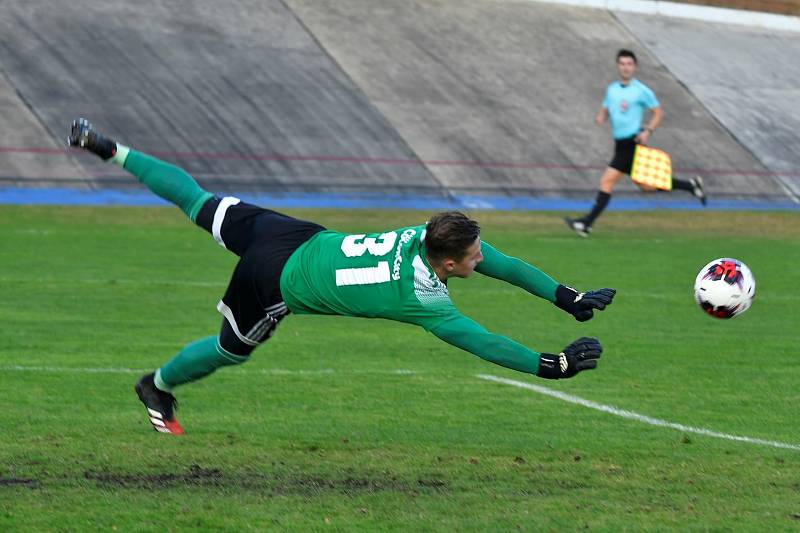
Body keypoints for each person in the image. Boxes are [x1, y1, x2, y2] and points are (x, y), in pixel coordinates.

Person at [68, 118, 616, 435]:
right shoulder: (422, 298)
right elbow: (484, 341)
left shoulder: (428, 235)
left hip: (289, 234)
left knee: (196, 199)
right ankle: (157, 386)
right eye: (474, 257)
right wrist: (554, 365)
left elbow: (509, 266)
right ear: (447, 263)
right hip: (273, 279)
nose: (483, 259)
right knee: (231, 350)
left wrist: (565, 297)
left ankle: (110, 148)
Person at [565, 49, 707, 238]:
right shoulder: (612, 89)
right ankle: (691, 186)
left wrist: (648, 131)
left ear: (635, 67)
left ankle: (586, 223)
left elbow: (658, 113)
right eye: (622, 64)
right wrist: (601, 116)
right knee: (646, 187)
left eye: (629, 64)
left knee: (606, 181)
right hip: (620, 144)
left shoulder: (641, 90)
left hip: (633, 143)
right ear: (618, 66)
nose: (626, 67)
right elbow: (607, 106)